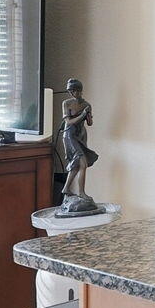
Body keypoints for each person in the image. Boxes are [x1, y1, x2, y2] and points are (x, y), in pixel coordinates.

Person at [56, 79, 99, 213]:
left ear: (79, 90)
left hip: (81, 136)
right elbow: (69, 122)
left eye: (73, 90)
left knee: (76, 164)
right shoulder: (67, 103)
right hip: (69, 136)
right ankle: (81, 192)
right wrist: (82, 115)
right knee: (83, 163)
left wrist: (88, 115)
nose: (71, 93)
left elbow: (90, 123)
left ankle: (66, 188)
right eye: (70, 90)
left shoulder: (87, 104)